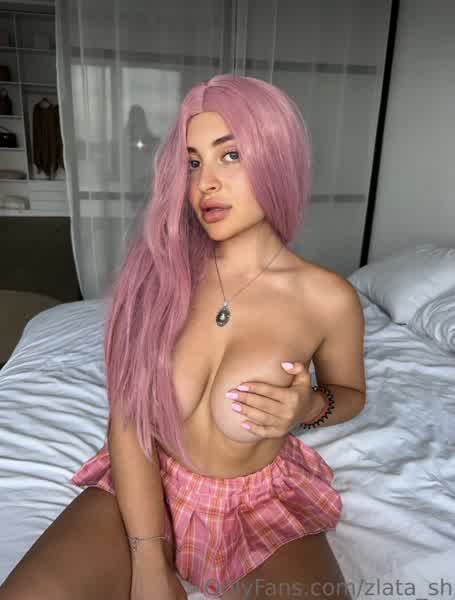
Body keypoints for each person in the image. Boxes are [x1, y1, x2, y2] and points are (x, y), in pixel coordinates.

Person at [0, 74, 366, 600]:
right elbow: (129, 420)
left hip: (258, 503)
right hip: (145, 483)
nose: (205, 183)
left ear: (277, 159)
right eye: (193, 163)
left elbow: (350, 394)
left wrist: (309, 406)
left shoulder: (329, 299)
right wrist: (149, 559)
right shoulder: (161, 279)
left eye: (230, 155)